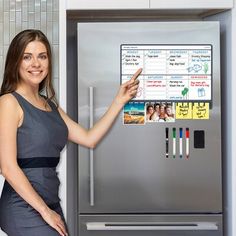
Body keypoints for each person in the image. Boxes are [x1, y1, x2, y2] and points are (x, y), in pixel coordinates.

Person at [0, 29, 141, 236]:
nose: (36, 64)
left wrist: (119, 101)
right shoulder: (9, 103)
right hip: (23, 206)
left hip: (49, 203)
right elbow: (8, 168)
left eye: (42, 56)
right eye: (27, 57)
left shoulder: (50, 106)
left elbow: (89, 138)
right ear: (15, 61)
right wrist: (45, 212)